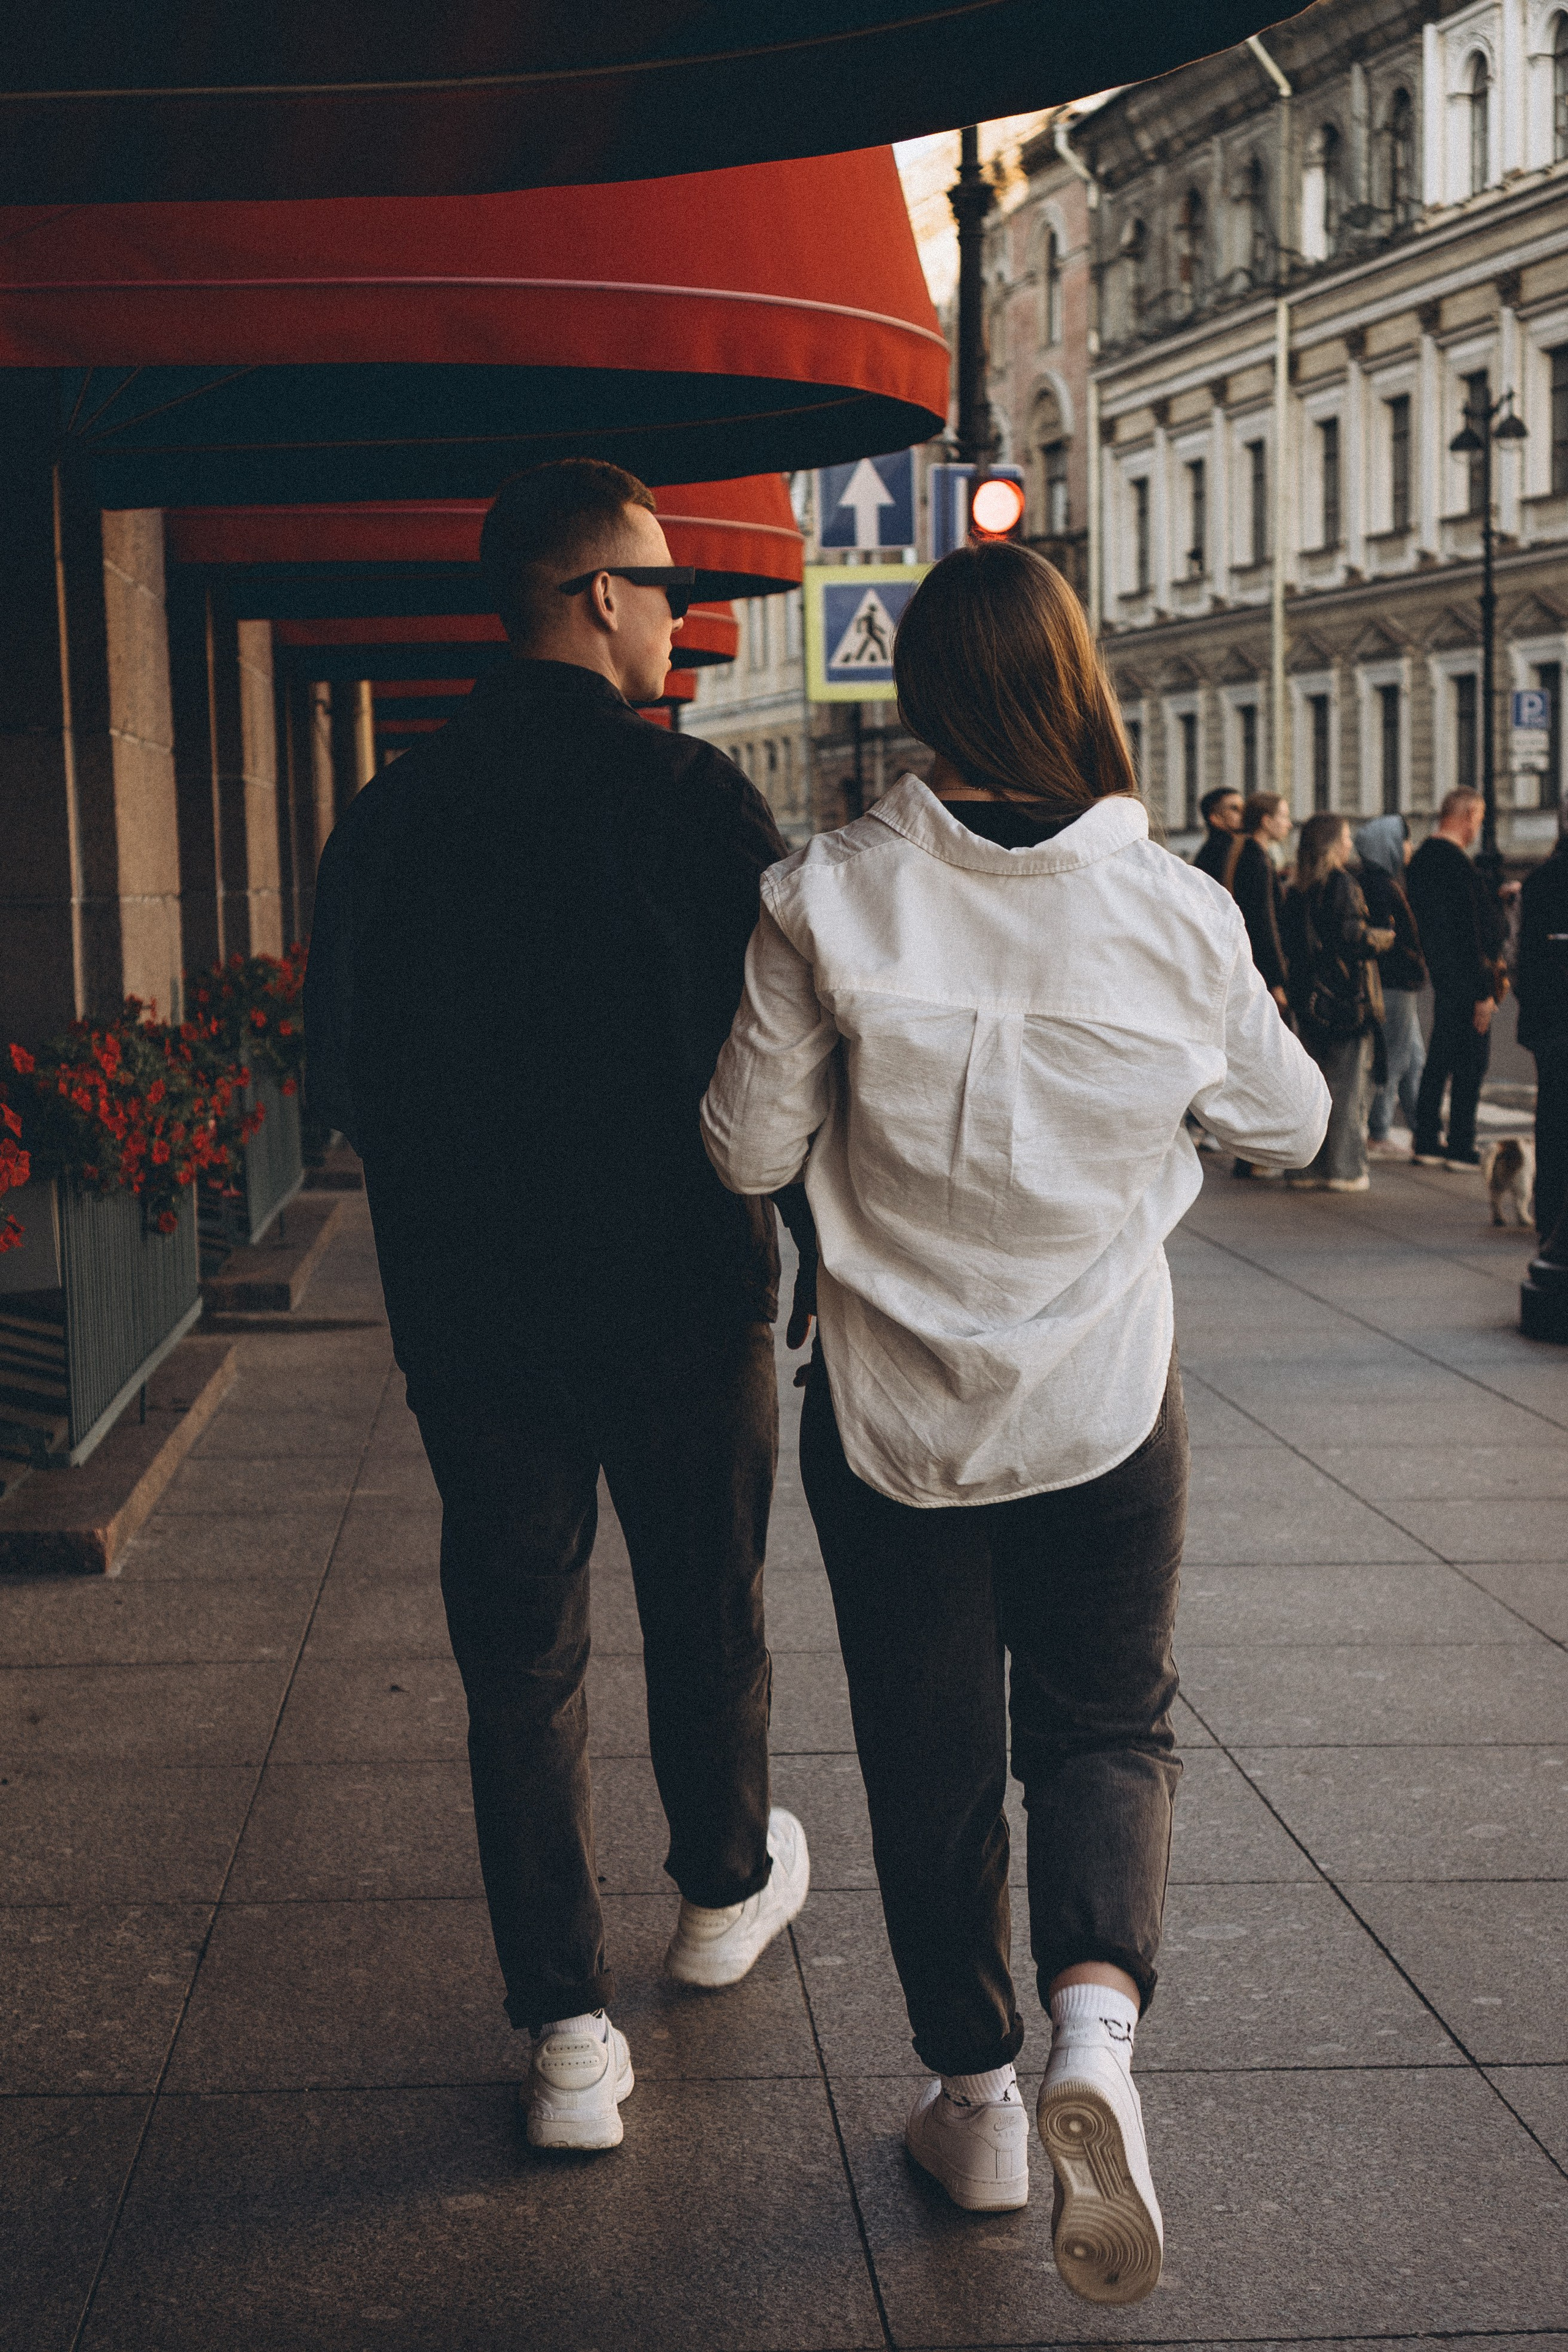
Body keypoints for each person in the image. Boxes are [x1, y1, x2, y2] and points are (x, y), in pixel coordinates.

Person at [699, 544, 1327, 2306]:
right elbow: (1294, 1119)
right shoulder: (1180, 912)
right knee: (1108, 1719)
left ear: (923, 699)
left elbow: (744, 1152)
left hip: (894, 1412)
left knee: (928, 1748)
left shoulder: (822, 895)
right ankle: (1095, 2039)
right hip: (1109, 1400)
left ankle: (976, 2103)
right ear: (1075, 687)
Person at [304, 459, 812, 2155]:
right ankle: (724, 1889)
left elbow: (345, 1076)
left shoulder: (388, 813)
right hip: (678, 1291)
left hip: (477, 1314)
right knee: (705, 1606)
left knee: (520, 1658)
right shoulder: (688, 802)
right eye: (664, 586)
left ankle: (568, 2039)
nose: (680, 618)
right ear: (597, 595)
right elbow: (777, 1058)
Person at [1281, 814, 1393, 1193]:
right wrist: (1384, 938)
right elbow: (1352, 938)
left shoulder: (1296, 889)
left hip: (1309, 999)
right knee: (1348, 1089)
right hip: (1348, 1000)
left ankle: (1305, 1168)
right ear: (1332, 845)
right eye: (1345, 838)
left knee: (1312, 1087)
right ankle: (1344, 1169)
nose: (1350, 844)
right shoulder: (1343, 884)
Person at [1406, 788, 1507, 1169]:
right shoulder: (1458, 866)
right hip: (1469, 978)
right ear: (1467, 814)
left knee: (1439, 1058)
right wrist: (1485, 992)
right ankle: (1461, 1142)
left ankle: (1427, 1138)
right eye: (1478, 819)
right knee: (1471, 1063)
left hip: (1444, 975)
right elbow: (1471, 932)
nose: (1478, 828)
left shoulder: (1420, 863)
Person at [1354, 815, 1427, 1158]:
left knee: (1414, 1059)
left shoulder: (1385, 880)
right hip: (1394, 985)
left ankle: (1422, 1129)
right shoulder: (1380, 886)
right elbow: (1390, 940)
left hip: (1399, 984)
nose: (1409, 847)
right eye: (1405, 840)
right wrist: (1412, 957)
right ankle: (1379, 1132)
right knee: (1394, 1060)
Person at [1229, 792, 1294, 1178]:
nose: (1288, 823)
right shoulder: (1256, 857)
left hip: (1254, 970)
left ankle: (1250, 1155)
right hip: (1264, 973)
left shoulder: (1248, 853)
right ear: (1266, 821)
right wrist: (1277, 980)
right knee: (1267, 1063)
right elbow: (1264, 923)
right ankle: (1254, 1155)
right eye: (1283, 817)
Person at [1516, 822, 1568, 1243]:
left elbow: (1521, 959)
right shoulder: (1543, 881)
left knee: (1552, 1124)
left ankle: (1550, 1221)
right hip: (1554, 1021)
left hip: (1549, 1023)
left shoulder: (1539, 882)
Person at [1192, 783, 1244, 883]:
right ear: (1216, 818)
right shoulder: (1218, 853)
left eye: (1244, 808)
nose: (1243, 813)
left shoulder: (1236, 846)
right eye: (1235, 809)